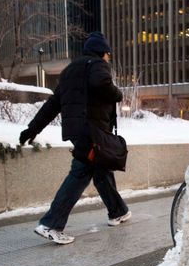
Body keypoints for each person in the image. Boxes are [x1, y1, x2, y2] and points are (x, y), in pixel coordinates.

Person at [19, 32, 131, 244]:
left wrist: (31, 130)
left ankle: (118, 211)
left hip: (77, 130)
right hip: (92, 131)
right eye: (108, 54)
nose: (108, 58)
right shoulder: (98, 65)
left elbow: (52, 105)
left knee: (101, 169)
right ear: (103, 52)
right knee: (81, 173)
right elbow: (101, 84)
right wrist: (117, 94)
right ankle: (51, 224)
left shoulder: (70, 71)